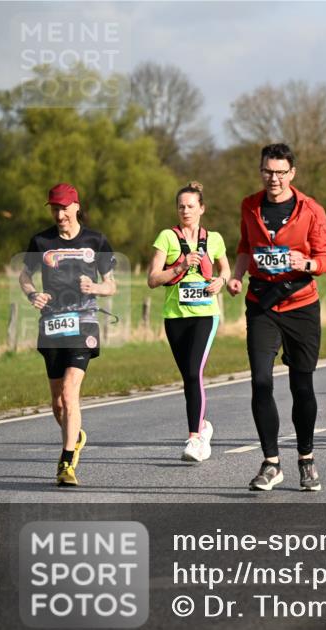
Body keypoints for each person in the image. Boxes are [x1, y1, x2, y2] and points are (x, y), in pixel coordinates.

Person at [226, 143, 326, 492]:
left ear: (292, 174)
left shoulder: (311, 209)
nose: (273, 178)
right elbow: (245, 247)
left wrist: (307, 264)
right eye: (267, 172)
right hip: (261, 303)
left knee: (301, 385)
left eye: (280, 172)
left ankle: (306, 459)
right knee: (260, 381)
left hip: (300, 303)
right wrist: (236, 276)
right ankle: (271, 463)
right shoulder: (249, 205)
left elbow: (325, 258)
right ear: (261, 171)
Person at [19, 183, 117, 486]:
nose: (60, 214)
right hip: (52, 324)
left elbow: (111, 284)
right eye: (54, 208)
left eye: (64, 207)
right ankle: (75, 435)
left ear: (76, 206)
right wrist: (33, 294)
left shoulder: (96, 240)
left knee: (69, 392)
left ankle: (65, 463)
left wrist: (95, 287)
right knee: (58, 404)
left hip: (84, 322)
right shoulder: (41, 241)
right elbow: (24, 276)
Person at [147, 182, 231, 462]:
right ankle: (204, 426)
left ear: (202, 209)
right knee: (189, 378)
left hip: (205, 315)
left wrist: (220, 281)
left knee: (195, 373)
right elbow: (152, 279)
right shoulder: (166, 238)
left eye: (191, 206)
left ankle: (194, 439)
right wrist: (181, 266)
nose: (185, 210)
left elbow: (225, 270)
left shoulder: (215, 238)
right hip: (175, 316)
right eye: (181, 206)